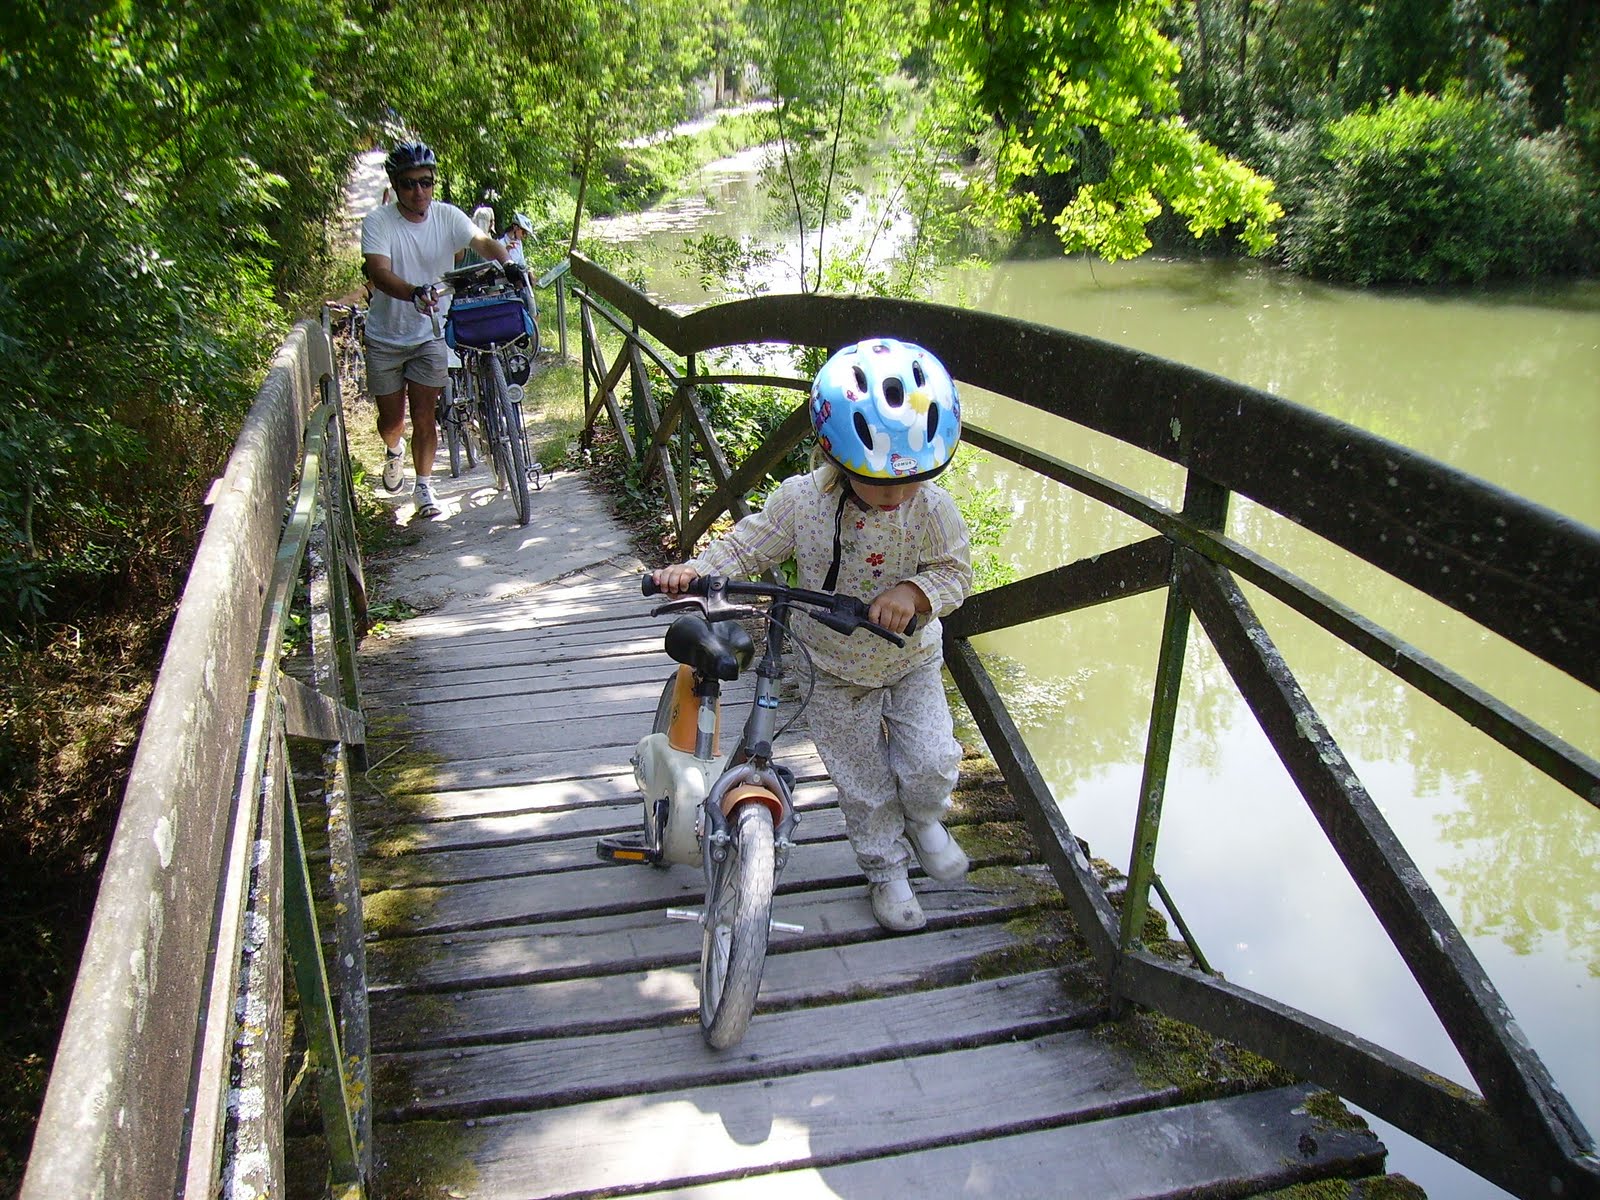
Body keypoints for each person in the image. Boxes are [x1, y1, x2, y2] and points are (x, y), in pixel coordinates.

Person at [651, 338, 974, 933]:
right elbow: (750, 543)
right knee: (863, 783)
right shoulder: (802, 502)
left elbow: (955, 570)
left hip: (910, 660)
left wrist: (914, 594)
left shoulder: (930, 508)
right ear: (839, 458)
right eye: (881, 484)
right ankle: (887, 871)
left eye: (912, 480)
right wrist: (697, 569)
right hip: (827, 664)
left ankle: (926, 818)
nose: (898, 495)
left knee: (932, 759)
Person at [361, 141, 528, 519]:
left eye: (426, 182)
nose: (418, 191)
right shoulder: (379, 223)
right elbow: (379, 273)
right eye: (408, 184)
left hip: (430, 333)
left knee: (424, 415)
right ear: (395, 185)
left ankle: (423, 487)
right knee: (392, 422)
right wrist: (413, 291)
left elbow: (483, 242)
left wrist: (509, 263)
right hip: (386, 336)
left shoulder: (447, 216)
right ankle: (393, 451)